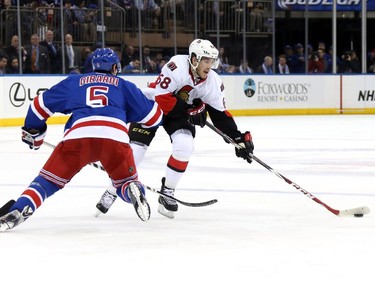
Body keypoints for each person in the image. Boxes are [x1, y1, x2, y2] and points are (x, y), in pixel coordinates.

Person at [0, 48, 163, 231]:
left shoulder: (75, 82)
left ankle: (19, 209)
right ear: (115, 68)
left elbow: (38, 106)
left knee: (47, 182)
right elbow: (154, 119)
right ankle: (132, 189)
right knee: (123, 181)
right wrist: (132, 107)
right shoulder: (124, 85)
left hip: (78, 137)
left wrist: (35, 132)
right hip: (115, 138)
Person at [95, 39, 254, 219]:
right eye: (206, 60)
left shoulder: (214, 82)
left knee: (185, 146)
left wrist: (237, 138)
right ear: (194, 59)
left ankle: (168, 192)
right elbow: (162, 99)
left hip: (179, 114)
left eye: (212, 61)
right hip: (152, 107)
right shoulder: (176, 65)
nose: (210, 66)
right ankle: (112, 190)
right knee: (135, 152)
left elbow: (220, 114)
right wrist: (190, 110)